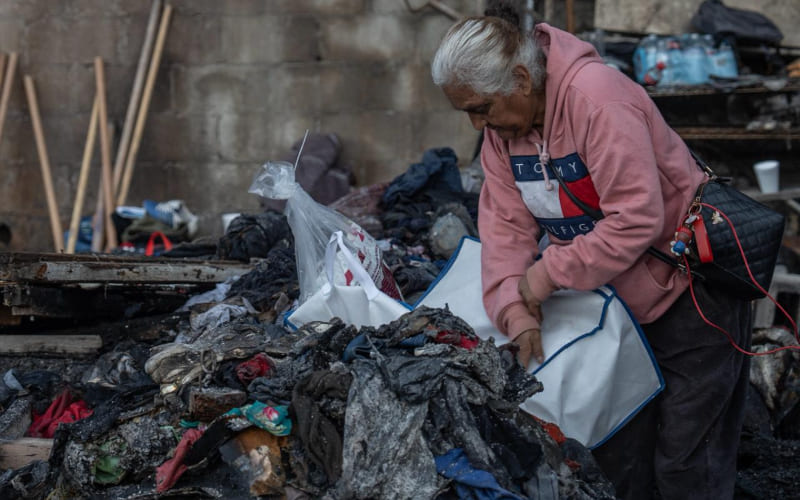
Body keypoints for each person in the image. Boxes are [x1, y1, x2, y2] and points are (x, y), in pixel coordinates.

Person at [430, 4, 752, 500]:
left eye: (481, 107)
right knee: (622, 461)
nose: (477, 125)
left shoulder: (596, 98)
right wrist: (516, 311)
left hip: (692, 297)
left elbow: (636, 218)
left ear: (520, 78)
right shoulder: (502, 137)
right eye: (468, 112)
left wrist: (545, 275)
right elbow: (504, 231)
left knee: (688, 464)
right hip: (617, 310)